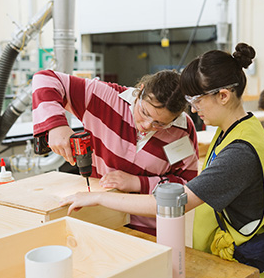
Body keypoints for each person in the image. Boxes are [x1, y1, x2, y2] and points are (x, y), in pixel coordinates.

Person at [59, 43, 264, 278]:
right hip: (237, 258)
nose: (192, 109)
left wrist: (99, 197)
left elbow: (173, 204)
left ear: (223, 96)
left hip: (248, 268)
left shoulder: (239, 151)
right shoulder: (238, 129)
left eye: (196, 100)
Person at [32, 69, 199, 235]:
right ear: (139, 91)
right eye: (144, 113)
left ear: (176, 118)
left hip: (150, 231)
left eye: (160, 124)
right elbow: (45, 78)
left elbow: (185, 186)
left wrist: (137, 183)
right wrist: (56, 125)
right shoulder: (103, 97)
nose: (147, 126)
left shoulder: (181, 131)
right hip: (101, 221)